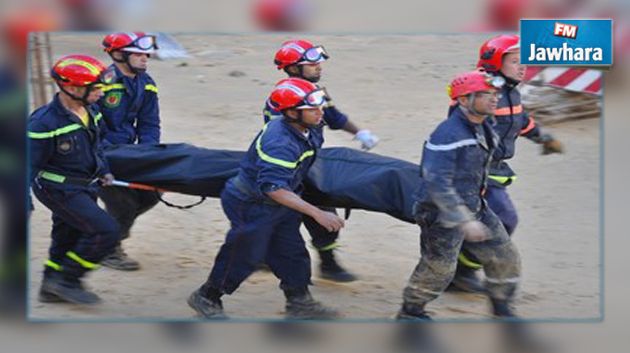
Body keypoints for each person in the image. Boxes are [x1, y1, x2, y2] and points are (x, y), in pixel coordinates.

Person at [188, 78, 343, 320]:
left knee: (291, 251)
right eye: (312, 108)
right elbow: (273, 188)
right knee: (244, 253)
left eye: (319, 106)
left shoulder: (309, 126)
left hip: (283, 201)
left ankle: (299, 302)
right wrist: (317, 212)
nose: (319, 112)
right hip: (252, 204)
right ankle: (207, 296)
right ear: (291, 112)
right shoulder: (279, 142)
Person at [397, 70, 521, 320]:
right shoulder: (447, 135)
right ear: (464, 100)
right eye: (486, 94)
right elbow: (437, 181)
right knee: (439, 268)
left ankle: (501, 307)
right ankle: (411, 312)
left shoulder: (484, 125)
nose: (494, 98)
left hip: (475, 206)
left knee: (505, 256)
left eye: (495, 93)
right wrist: (463, 219)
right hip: (440, 212)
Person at [448, 34, 564, 293]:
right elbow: (458, 127)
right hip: (477, 169)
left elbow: (520, 121)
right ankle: (462, 270)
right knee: (505, 219)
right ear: (494, 62)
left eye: (524, 61)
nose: (523, 66)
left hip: (496, 168)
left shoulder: (511, 93)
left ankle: (461, 271)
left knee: (490, 221)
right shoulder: (480, 92)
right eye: (514, 61)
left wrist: (543, 138)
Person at [262, 39, 380, 282]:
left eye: (318, 62)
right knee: (285, 222)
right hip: (289, 169)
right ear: (294, 68)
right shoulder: (284, 99)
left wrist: (359, 132)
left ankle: (327, 264)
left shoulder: (315, 94)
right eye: (311, 63)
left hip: (309, 164)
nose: (319, 67)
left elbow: (334, 118)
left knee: (323, 221)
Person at [28, 54, 119, 305]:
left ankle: (49, 286)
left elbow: (97, 147)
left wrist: (104, 171)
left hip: (85, 185)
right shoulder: (43, 123)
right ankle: (68, 280)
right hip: (57, 188)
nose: (101, 93)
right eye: (96, 88)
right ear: (71, 87)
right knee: (106, 231)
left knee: (67, 235)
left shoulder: (92, 112)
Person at [96, 32, 161, 271]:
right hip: (98, 155)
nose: (146, 58)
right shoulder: (100, 83)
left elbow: (149, 123)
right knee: (122, 203)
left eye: (147, 54)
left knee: (150, 194)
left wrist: (148, 154)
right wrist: (103, 157)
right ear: (118, 54)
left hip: (127, 153)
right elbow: (91, 126)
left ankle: (106, 238)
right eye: (139, 54)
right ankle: (108, 247)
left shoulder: (147, 83)